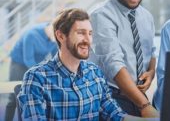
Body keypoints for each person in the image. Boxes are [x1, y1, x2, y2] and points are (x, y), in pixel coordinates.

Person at [17, 8, 158, 121]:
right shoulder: (37, 78)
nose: (88, 40)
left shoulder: (95, 73)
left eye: (90, 34)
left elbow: (116, 115)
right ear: (61, 36)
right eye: (80, 33)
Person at [89, 0, 158, 117]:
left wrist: (151, 72)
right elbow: (114, 64)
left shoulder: (146, 16)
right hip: (110, 98)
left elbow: (151, 51)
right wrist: (145, 105)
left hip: (138, 95)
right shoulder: (101, 16)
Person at [5, 20, 58, 121]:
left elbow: (56, 58)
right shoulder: (32, 35)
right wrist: (40, 74)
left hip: (35, 64)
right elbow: (28, 59)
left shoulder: (54, 39)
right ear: (51, 28)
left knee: (28, 96)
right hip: (19, 63)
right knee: (14, 96)